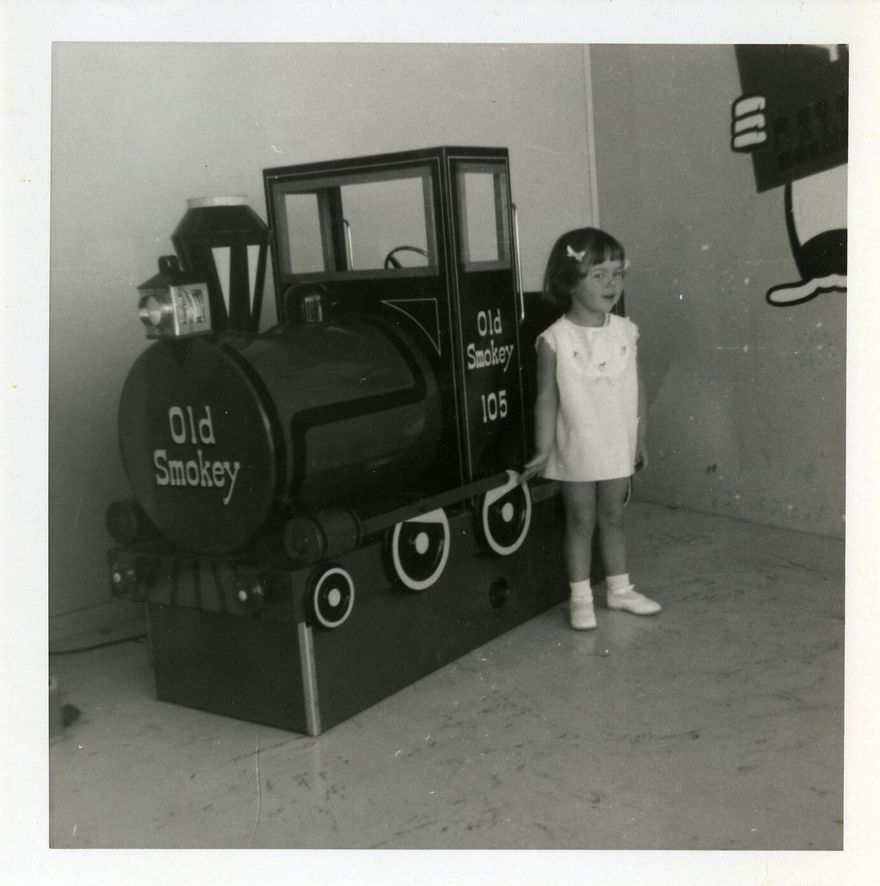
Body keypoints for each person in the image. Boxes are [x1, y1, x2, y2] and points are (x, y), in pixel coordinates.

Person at [520, 227, 661, 630]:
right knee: (581, 519)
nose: (611, 283)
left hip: (617, 442)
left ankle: (619, 590)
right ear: (569, 280)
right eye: (598, 275)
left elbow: (638, 386)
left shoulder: (625, 331)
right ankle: (580, 596)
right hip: (578, 443)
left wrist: (641, 435)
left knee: (613, 514)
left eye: (617, 273)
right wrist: (544, 448)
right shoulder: (555, 340)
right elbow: (546, 398)